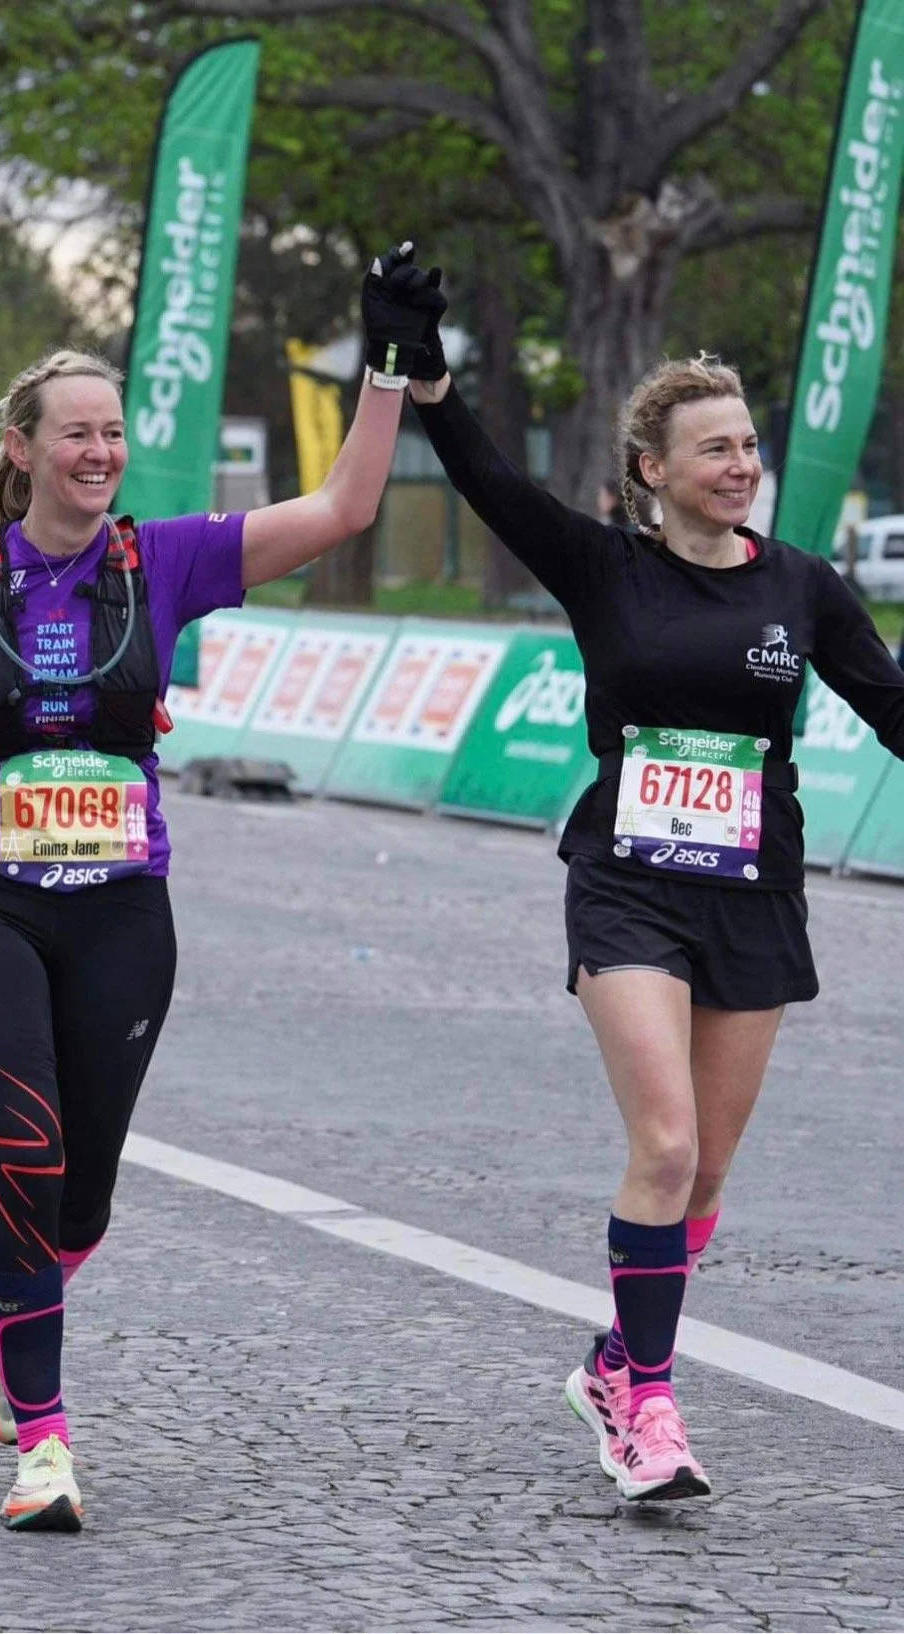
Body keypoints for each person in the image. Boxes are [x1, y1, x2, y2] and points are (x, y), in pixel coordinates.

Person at [0, 244, 442, 1532]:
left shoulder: (166, 558)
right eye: (76, 432)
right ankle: (47, 1440)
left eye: (112, 433)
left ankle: (21, 1321)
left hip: (121, 906)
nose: (99, 451)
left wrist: (387, 367)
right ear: (22, 446)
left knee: (81, 1191)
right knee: (24, 1147)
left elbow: (345, 507)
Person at [384, 256, 904, 1501]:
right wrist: (431, 375)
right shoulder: (603, 565)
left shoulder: (802, 586)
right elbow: (492, 483)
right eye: (713, 448)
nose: (740, 465)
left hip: (754, 889)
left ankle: (619, 1356)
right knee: (663, 1142)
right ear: (652, 470)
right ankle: (649, 1409)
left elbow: (893, 708)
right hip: (626, 882)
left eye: (749, 446)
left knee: (706, 1171)